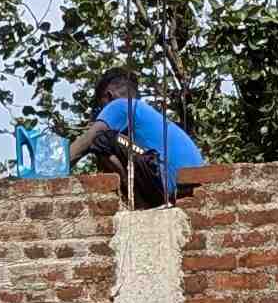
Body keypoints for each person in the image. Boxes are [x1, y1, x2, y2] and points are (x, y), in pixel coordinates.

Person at [68, 67, 204, 210]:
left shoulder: (119, 105)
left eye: (101, 106)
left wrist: (54, 172)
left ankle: (140, 206)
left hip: (164, 182)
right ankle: (142, 204)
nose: (102, 112)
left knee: (102, 140)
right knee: (115, 142)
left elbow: (86, 141)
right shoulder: (146, 113)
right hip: (188, 184)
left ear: (108, 95)